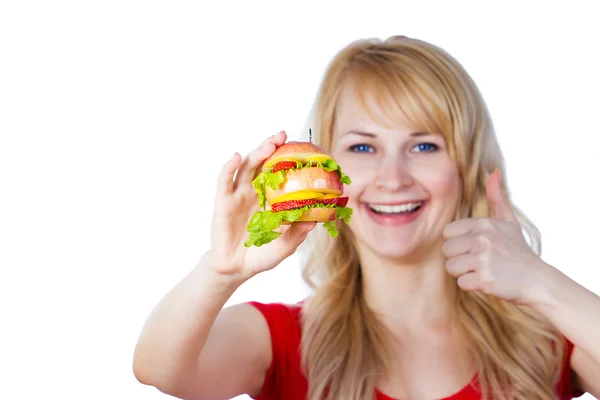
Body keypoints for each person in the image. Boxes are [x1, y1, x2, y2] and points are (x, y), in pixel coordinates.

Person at [132, 35, 600, 400]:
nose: (391, 178)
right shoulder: (282, 340)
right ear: (326, 168)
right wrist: (220, 271)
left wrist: (542, 284)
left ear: (468, 166)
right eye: (362, 147)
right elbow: (159, 369)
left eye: (423, 146)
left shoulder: (553, 335)